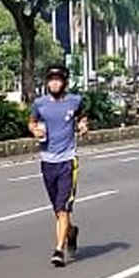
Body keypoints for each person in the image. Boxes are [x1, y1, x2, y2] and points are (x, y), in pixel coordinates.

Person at [29, 64, 88, 267]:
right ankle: (71, 232)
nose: (54, 83)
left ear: (64, 82)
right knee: (57, 210)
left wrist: (82, 126)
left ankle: (58, 250)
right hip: (47, 161)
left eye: (58, 79)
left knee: (63, 209)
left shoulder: (75, 101)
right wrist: (34, 131)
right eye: (51, 79)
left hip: (67, 161)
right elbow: (32, 122)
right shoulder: (40, 104)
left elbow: (82, 117)